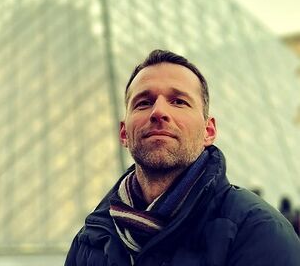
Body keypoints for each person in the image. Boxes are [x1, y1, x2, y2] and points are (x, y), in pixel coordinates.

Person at [65, 49, 300, 265]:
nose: (159, 111)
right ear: (124, 133)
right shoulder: (88, 241)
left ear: (209, 131)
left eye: (179, 102)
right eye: (144, 103)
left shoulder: (259, 233)